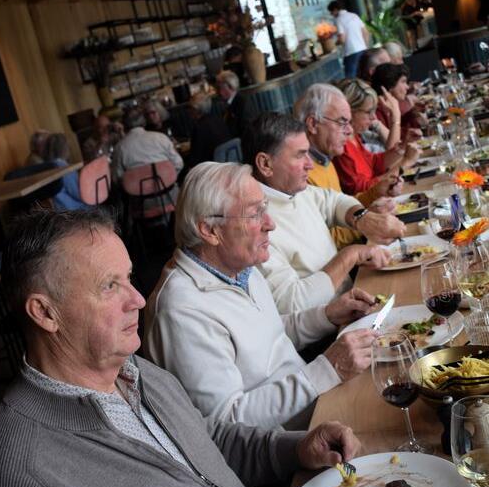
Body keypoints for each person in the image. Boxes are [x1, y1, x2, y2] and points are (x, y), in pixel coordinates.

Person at [0, 207, 361, 487]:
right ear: (45, 313)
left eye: (128, 277)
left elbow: (208, 440)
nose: (138, 299)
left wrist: (294, 448)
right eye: (109, 286)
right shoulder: (19, 472)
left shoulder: (130, 368)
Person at [144, 162, 378, 430]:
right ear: (210, 230)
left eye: (265, 208)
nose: (271, 224)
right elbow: (227, 423)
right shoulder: (180, 311)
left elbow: (269, 335)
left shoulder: (238, 267)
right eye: (255, 214)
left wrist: (327, 316)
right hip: (294, 440)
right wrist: (326, 369)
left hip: (317, 404)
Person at [242, 113, 405, 314]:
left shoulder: (290, 188)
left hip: (355, 297)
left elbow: (335, 201)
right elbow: (291, 304)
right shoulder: (253, 222)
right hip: (330, 327)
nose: (310, 164)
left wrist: (362, 218)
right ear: (265, 164)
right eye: (300, 155)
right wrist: (351, 256)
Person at [294, 83, 401, 248]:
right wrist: (366, 220)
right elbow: (328, 241)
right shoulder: (302, 174)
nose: (350, 130)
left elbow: (341, 208)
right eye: (342, 122)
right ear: (313, 124)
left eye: (349, 122)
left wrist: (375, 192)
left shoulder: (325, 160)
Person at [333, 79, 420, 196]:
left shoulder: (353, 136)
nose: (373, 117)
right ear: (350, 112)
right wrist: (405, 162)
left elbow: (374, 163)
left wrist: (403, 145)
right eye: (368, 112)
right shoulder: (340, 146)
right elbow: (361, 191)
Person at [111, 108, 183, 181]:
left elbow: (116, 178)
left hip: (136, 187)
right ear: (144, 122)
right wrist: (168, 180)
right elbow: (178, 164)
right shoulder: (161, 137)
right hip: (168, 185)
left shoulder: (119, 148)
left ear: (124, 125)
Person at [371, 62, 427, 135]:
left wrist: (413, 114)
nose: (407, 87)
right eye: (403, 82)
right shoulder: (376, 113)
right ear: (390, 84)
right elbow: (393, 138)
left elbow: (401, 127)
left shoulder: (390, 105)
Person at [42, 132, 90, 211]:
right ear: (64, 148)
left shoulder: (45, 167)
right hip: (74, 210)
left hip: (59, 210)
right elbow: (79, 194)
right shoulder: (63, 167)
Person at [187, 92, 232, 166]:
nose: (189, 111)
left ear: (195, 109)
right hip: (229, 163)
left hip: (212, 167)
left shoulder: (199, 128)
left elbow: (195, 158)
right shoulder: (219, 120)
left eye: (190, 108)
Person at [327, 0, 369, 78]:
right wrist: (365, 46)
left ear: (335, 9)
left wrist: (334, 44)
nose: (331, 14)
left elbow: (342, 39)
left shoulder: (339, 19)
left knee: (350, 78)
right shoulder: (354, 15)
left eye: (331, 12)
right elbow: (365, 32)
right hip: (362, 49)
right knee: (363, 74)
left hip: (351, 52)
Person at [216, 69, 252, 137]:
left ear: (230, 87)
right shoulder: (229, 102)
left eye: (220, 88)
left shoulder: (242, 102)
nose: (218, 92)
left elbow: (246, 130)